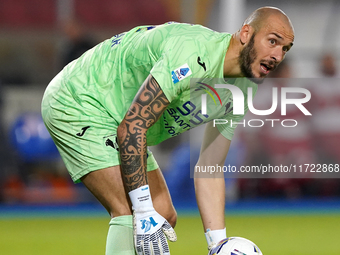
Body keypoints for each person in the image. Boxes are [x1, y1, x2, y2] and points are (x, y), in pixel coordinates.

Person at [41, 6, 294, 255]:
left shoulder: (244, 88)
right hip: (79, 98)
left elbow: (210, 166)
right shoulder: (193, 53)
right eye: (272, 41)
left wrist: (218, 245)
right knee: (132, 214)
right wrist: (142, 211)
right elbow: (132, 127)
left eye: (284, 49)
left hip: (118, 117)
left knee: (161, 213)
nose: (277, 55)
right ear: (246, 33)